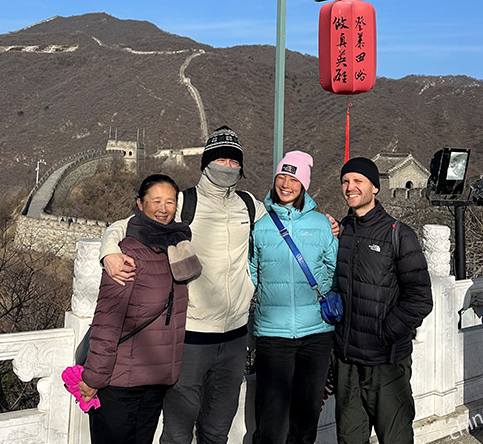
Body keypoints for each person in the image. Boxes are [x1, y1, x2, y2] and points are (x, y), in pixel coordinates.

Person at [98, 126, 267, 444]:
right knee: (177, 432)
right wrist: (108, 251)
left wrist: (329, 225)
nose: (227, 167)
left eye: (234, 162)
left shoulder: (248, 205)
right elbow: (126, 225)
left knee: (217, 430)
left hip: (234, 338)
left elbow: (283, 224)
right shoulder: (184, 203)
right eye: (221, 160)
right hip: (189, 337)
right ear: (206, 163)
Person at [78, 174, 201, 444]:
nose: (163, 208)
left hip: (155, 381)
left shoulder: (176, 248)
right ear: (140, 204)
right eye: (155, 201)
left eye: (170, 201)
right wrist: (93, 377)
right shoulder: (127, 254)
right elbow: (107, 322)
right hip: (120, 382)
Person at [333, 157, 433, 444]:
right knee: (350, 438)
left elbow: (420, 298)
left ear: (375, 187)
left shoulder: (399, 234)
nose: (350, 187)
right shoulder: (344, 230)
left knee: (396, 438)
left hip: (386, 363)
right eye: (345, 181)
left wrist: (386, 332)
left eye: (358, 181)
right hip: (347, 362)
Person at [248, 151, 338, 444]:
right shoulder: (260, 226)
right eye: (281, 177)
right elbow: (252, 273)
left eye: (293, 178)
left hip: (317, 334)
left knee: (306, 417)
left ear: (304, 184)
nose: (286, 184)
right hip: (273, 335)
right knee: (271, 422)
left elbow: (334, 269)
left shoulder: (322, 225)